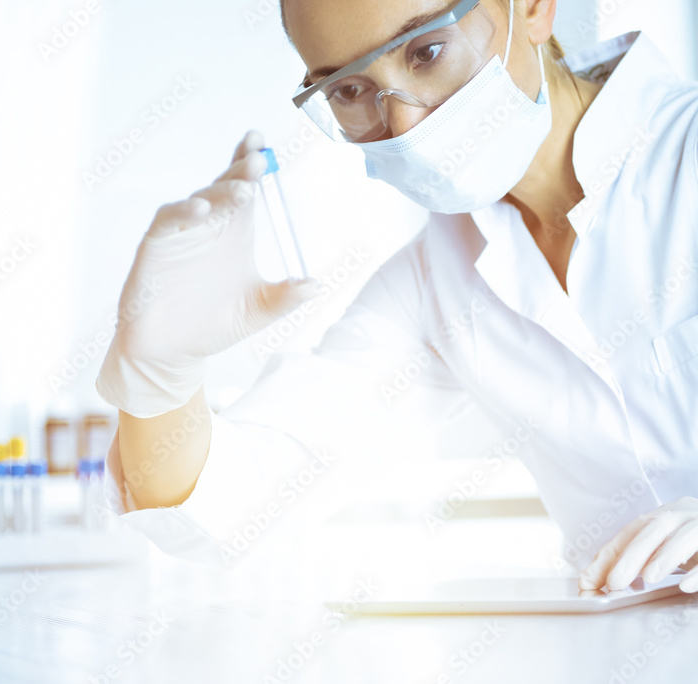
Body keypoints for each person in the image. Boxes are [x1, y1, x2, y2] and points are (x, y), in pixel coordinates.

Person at [95, 0, 698, 593]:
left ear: (534, 8)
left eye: (427, 51)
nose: (406, 126)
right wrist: (160, 376)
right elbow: (237, 505)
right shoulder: (440, 277)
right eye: (349, 92)